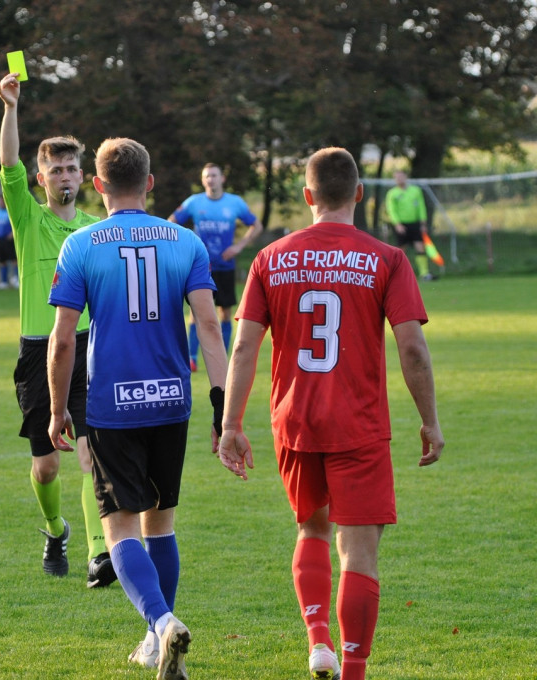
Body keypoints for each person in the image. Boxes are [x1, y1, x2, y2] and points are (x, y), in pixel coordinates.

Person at [218, 147, 444, 680]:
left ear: (307, 197)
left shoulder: (271, 257)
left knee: (312, 530)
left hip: (295, 422)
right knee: (359, 554)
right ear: (360, 195)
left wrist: (230, 425)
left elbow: (244, 349)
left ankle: (318, 638)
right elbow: (412, 348)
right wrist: (430, 420)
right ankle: (352, 669)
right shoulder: (386, 258)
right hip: (359, 423)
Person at [48, 137, 228, 679]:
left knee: (119, 526)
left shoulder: (80, 245)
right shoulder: (186, 242)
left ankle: (161, 621)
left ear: (97, 185)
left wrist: (57, 411)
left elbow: (62, 341)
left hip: (111, 405)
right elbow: (212, 328)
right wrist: (224, 411)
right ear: (150, 184)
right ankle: (154, 642)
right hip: (173, 400)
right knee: (161, 522)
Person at [0, 71, 114, 587]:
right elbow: (7, 164)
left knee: (92, 453)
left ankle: (98, 554)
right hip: (36, 352)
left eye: (71, 168)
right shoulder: (28, 218)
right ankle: (54, 529)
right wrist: (10, 109)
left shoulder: (95, 229)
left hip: (88, 349)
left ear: (83, 177)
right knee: (46, 467)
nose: (64, 176)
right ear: (41, 179)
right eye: (55, 169)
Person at [168, 163, 263, 371]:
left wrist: (239, 246)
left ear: (222, 179)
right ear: (203, 181)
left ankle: (224, 357)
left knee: (225, 314)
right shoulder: (194, 202)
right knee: (195, 313)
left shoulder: (234, 203)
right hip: (200, 267)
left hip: (225, 266)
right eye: (207, 176)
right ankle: (192, 358)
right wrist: (187, 244)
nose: (210, 179)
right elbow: (171, 222)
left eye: (214, 175)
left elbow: (257, 225)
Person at [385, 170, 432, 280]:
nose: (399, 179)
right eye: (397, 177)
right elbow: (391, 210)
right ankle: (400, 274)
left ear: (406, 177)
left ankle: (424, 273)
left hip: (415, 223)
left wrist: (423, 223)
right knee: (401, 251)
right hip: (401, 225)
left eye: (401, 176)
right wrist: (397, 224)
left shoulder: (415, 191)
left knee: (420, 247)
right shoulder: (392, 193)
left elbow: (421, 207)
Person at [0, 195, 18, 289]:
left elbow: (15, 223)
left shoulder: (9, 211)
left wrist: (12, 233)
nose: (0, 203)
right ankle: (4, 281)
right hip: (0, 240)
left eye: (2, 201)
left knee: (14, 259)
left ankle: (17, 279)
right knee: (2, 260)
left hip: (9, 240)